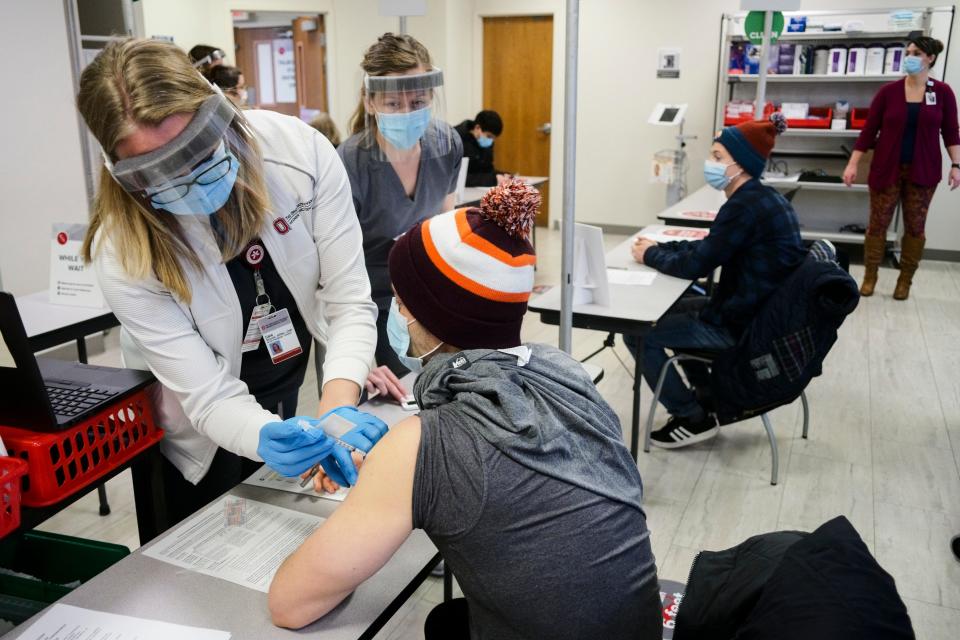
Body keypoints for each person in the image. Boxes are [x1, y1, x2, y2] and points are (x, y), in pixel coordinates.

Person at [268, 180, 661, 640]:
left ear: (433, 317)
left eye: (400, 301)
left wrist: (391, 475)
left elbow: (290, 604)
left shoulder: (425, 445)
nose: (394, 311)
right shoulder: (566, 373)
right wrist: (397, 475)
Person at [76, 39, 389, 527]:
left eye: (200, 148)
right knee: (200, 543)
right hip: (193, 421)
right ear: (124, 174)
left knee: (279, 528)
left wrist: (337, 406)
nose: (191, 175)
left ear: (219, 111)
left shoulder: (299, 154)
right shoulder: (124, 252)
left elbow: (348, 303)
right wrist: (262, 434)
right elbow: (207, 395)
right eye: (160, 171)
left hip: (281, 371)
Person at [628, 113, 805, 449]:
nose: (710, 162)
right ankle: (706, 396)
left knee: (637, 334)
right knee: (675, 308)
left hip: (741, 326)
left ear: (741, 164)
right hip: (757, 312)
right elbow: (711, 247)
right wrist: (661, 247)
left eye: (718, 157)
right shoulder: (760, 199)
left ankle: (691, 415)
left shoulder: (744, 206)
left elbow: (697, 264)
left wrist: (649, 256)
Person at [338, 33, 462, 391]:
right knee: (404, 391)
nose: (407, 112)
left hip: (427, 285)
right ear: (370, 102)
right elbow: (336, 267)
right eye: (393, 104)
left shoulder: (446, 144)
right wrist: (358, 357)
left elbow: (443, 223)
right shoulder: (351, 162)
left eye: (418, 101)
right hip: (371, 297)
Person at [843, 35, 960, 300]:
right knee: (877, 224)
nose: (910, 57)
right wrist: (853, 164)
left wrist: (957, 164)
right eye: (908, 51)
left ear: (930, 58)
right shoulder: (888, 92)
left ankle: (905, 280)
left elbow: (951, 131)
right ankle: (870, 276)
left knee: (916, 227)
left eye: (916, 52)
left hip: (924, 172)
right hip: (887, 169)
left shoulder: (942, 93)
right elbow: (868, 131)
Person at [454, 110, 508, 187]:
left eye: (493, 138)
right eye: (489, 136)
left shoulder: (486, 143)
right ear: (477, 127)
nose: (491, 141)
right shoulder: (456, 139)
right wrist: (493, 179)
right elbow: (457, 177)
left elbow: (488, 170)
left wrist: (505, 176)